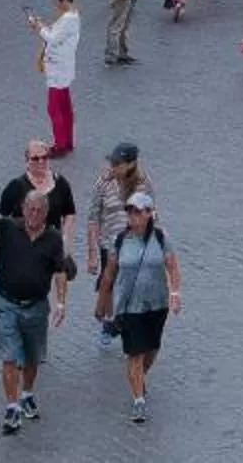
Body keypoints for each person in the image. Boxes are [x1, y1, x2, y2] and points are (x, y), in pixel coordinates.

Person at [0, 182, 72, 435]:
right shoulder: (9, 228)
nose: (32, 215)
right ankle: (12, 406)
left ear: (45, 213)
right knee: (9, 357)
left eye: (38, 211)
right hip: (8, 304)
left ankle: (27, 392)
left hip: (37, 307)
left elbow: (60, 272)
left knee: (32, 358)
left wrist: (61, 302)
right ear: (23, 209)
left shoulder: (53, 239)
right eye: (29, 209)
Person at [103, 190, 181, 424]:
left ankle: (139, 378)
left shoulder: (161, 237)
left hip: (157, 303)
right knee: (135, 354)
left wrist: (175, 292)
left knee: (152, 348)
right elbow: (109, 273)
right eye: (130, 211)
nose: (133, 216)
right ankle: (138, 400)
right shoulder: (120, 239)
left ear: (149, 214)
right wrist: (103, 304)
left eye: (138, 212)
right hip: (129, 306)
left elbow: (172, 266)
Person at [82, 141, 156, 348]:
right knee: (109, 285)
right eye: (112, 162)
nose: (113, 167)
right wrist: (91, 253)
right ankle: (109, 323)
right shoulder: (104, 182)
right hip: (110, 246)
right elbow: (92, 217)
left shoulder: (143, 184)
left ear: (130, 164)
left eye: (118, 163)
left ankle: (126, 325)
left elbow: (152, 216)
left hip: (135, 247)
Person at [29, 0, 81, 155]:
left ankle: (60, 144)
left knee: (54, 108)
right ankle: (67, 140)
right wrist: (44, 26)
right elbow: (56, 34)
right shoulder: (72, 16)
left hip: (58, 69)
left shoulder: (68, 19)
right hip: (63, 67)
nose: (54, 2)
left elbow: (52, 39)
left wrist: (38, 27)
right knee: (65, 106)